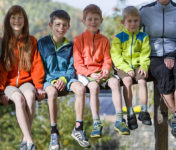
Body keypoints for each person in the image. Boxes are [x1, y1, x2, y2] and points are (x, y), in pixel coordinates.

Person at [73, 4, 130, 139]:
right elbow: (78, 63)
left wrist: (105, 70)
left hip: (101, 73)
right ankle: (96, 122)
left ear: (101, 21)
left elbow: (107, 59)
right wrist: (90, 74)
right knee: (93, 87)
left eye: (96, 19)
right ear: (84, 21)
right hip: (86, 74)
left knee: (115, 83)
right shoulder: (78, 40)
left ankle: (119, 119)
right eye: (90, 19)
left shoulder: (104, 40)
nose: (93, 22)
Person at [37, 10, 90, 149]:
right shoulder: (42, 43)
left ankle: (78, 128)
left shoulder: (71, 45)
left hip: (66, 78)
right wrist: (53, 81)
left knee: (81, 89)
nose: (61, 28)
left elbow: (73, 67)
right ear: (51, 25)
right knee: (52, 93)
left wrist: (64, 79)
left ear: (69, 26)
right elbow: (39, 67)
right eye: (57, 24)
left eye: (64, 25)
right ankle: (54, 132)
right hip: (48, 79)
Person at [140, 0, 176, 140]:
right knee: (163, 72)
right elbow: (132, 34)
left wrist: (171, 55)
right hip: (153, 55)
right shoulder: (144, 10)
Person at [0, 5, 46, 150]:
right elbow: (1, 68)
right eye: (13, 18)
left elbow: (37, 64)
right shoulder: (3, 41)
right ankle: (30, 141)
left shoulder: (31, 41)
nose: (17, 21)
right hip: (9, 84)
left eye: (20, 18)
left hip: (27, 81)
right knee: (19, 99)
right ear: (8, 20)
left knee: (30, 96)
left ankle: (25, 139)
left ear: (24, 21)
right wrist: (1, 91)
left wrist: (38, 86)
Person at [111, 6, 152, 131]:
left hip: (138, 65)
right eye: (129, 21)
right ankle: (130, 112)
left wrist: (144, 66)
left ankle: (144, 111)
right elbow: (116, 56)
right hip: (123, 65)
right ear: (123, 22)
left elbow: (145, 54)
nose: (133, 24)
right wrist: (126, 68)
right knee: (127, 81)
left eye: (136, 21)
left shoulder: (143, 36)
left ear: (139, 21)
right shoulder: (119, 37)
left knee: (142, 80)